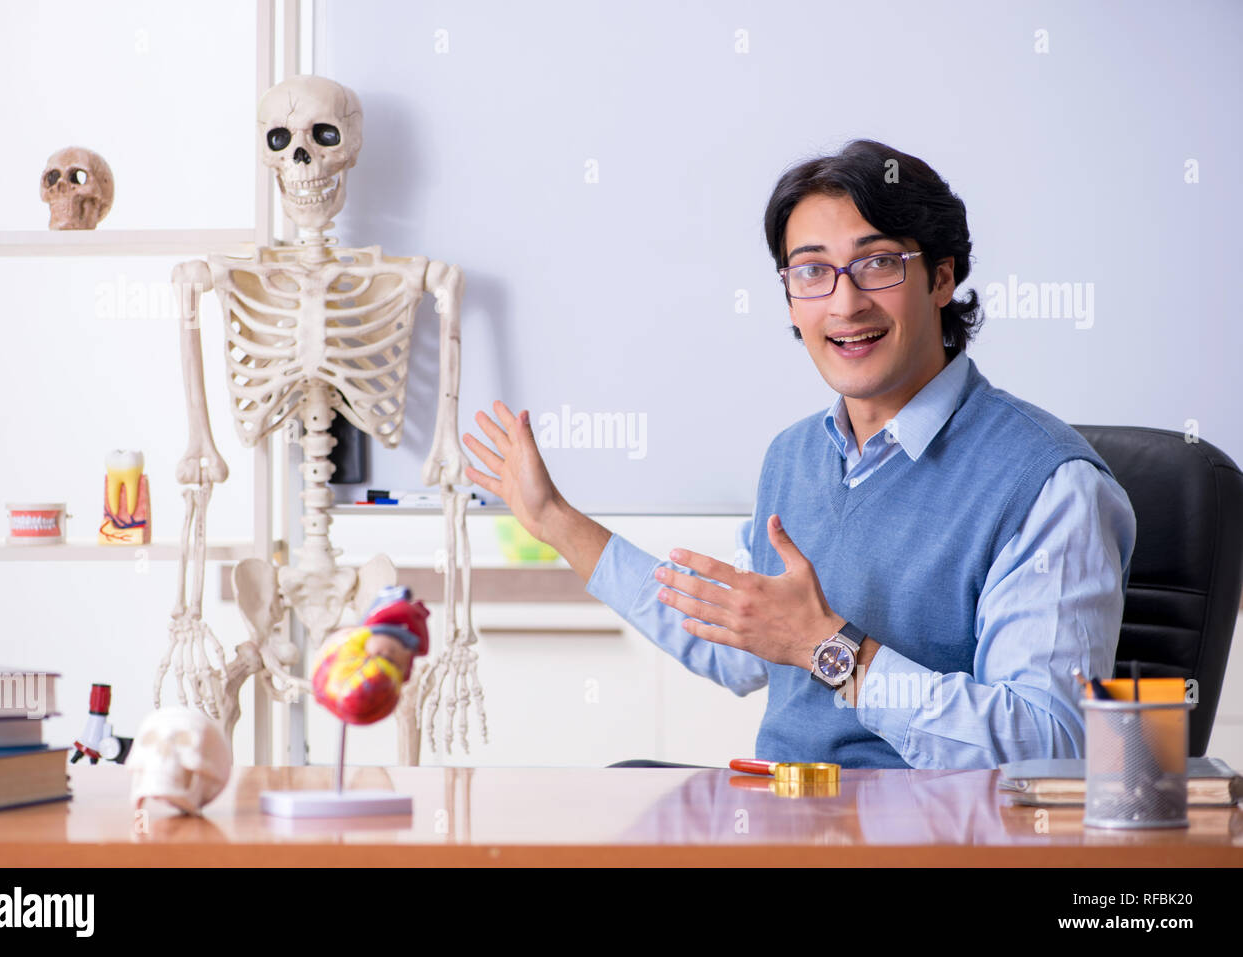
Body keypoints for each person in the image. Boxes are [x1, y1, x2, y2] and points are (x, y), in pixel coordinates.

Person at [462, 139, 1136, 769]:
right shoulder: (793, 457)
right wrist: (552, 518)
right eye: (813, 271)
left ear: (940, 278)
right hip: (785, 822)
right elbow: (733, 644)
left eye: (877, 263)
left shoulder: (1050, 482)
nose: (844, 302)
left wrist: (828, 647)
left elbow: (1052, 745)